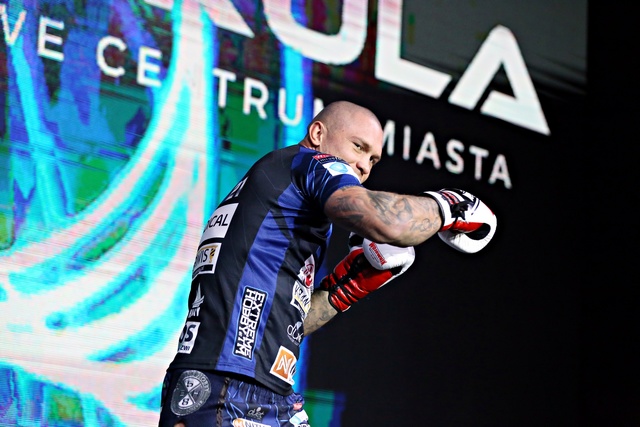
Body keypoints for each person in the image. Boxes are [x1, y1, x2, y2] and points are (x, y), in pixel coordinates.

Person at [158, 100, 496, 427]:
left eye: (373, 159)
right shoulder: (310, 163)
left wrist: (349, 285)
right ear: (318, 134)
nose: (364, 165)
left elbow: (284, 327)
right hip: (227, 386)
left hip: (255, 389)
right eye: (358, 147)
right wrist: (451, 206)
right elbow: (389, 223)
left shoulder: (280, 197)